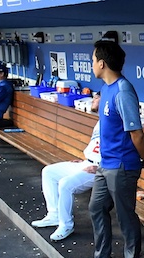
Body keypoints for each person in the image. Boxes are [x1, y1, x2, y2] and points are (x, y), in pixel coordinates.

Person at [76, 39, 144, 258]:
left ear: (102, 63)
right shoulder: (106, 88)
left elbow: (136, 132)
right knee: (96, 208)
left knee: (126, 216)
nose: (92, 64)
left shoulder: (123, 90)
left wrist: (143, 158)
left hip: (122, 165)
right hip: (105, 164)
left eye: (93, 60)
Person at [31, 94, 102, 241]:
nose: (93, 100)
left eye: (96, 98)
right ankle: (54, 215)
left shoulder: (116, 122)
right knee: (49, 172)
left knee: (65, 184)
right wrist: (85, 160)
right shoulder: (100, 121)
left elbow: (121, 151)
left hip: (100, 170)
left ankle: (66, 225)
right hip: (87, 163)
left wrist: (100, 167)